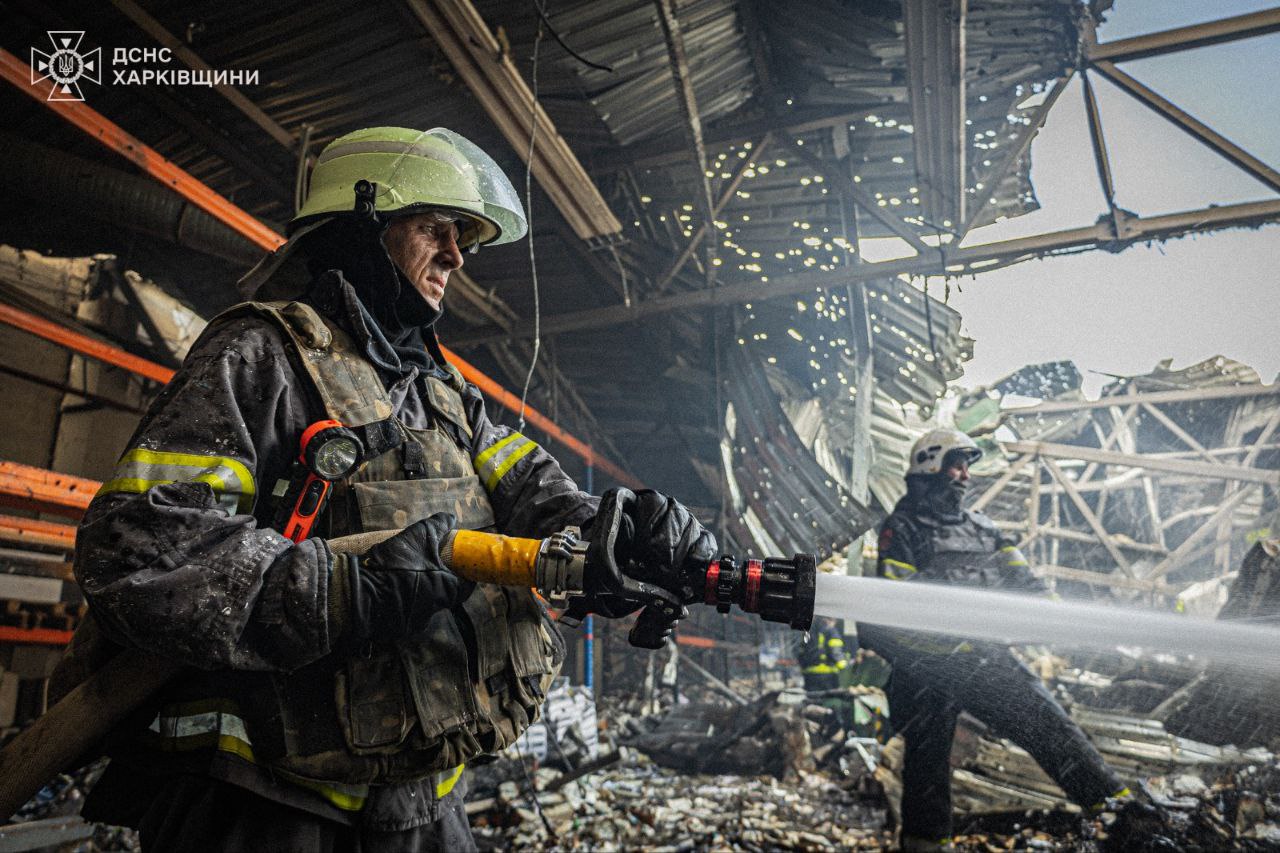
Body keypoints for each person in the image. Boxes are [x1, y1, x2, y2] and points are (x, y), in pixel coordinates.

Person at [63, 126, 714, 851]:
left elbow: (534, 492)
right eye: (435, 228)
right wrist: (344, 588)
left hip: (422, 800)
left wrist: (621, 534)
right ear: (363, 225)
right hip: (264, 800)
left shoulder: (441, 391)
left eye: (462, 236)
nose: (457, 255)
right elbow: (140, 552)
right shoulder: (260, 355)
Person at [859, 429, 1136, 852]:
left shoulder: (984, 530)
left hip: (982, 659)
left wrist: (1057, 615)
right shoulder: (902, 528)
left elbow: (1025, 583)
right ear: (929, 467)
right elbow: (899, 603)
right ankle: (925, 845)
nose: (964, 476)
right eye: (956, 465)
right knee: (927, 765)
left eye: (967, 466)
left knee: (1047, 724)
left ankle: (1120, 812)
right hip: (925, 668)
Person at [799, 616, 848, 692]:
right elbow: (835, 651)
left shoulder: (808, 631)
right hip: (827, 675)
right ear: (831, 620)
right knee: (827, 700)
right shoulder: (831, 631)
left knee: (812, 699)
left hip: (809, 675)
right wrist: (844, 666)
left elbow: (800, 650)